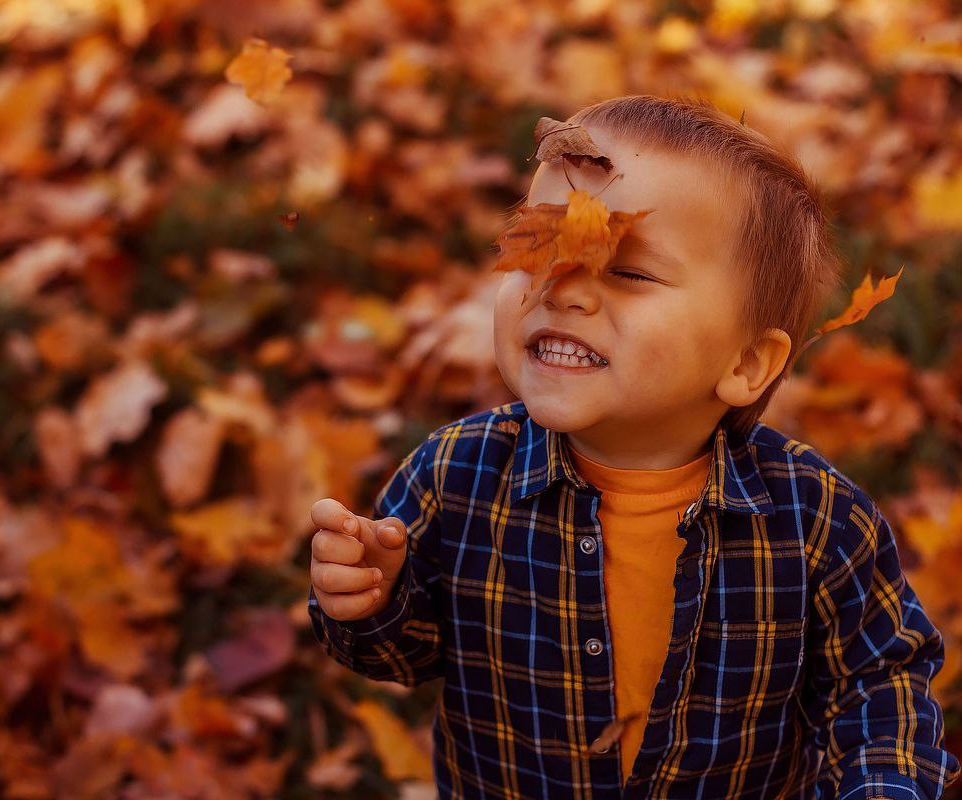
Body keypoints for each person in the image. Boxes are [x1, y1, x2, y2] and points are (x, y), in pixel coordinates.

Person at [306, 93, 961, 799]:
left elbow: (876, 685)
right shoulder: (455, 476)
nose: (564, 289)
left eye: (628, 272)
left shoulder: (816, 522)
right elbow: (406, 657)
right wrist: (374, 601)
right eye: (542, 246)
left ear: (745, 363)